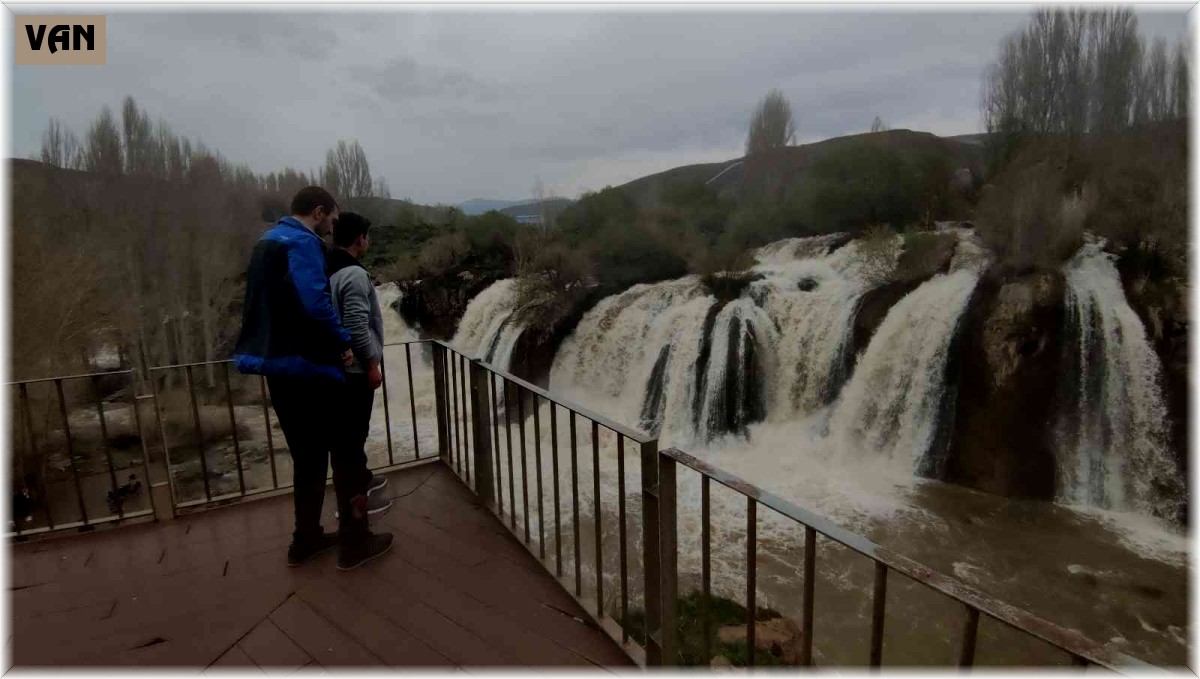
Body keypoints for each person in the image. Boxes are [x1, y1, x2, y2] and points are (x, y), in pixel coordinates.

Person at [233, 186, 393, 570]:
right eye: (333, 219)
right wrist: (345, 344)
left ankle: (305, 539)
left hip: (277, 366)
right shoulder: (301, 242)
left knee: (307, 458)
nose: (332, 227)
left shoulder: (265, 243)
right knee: (348, 453)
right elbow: (315, 301)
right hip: (311, 368)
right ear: (319, 212)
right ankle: (356, 543)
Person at [326, 212, 394, 530]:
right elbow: (355, 324)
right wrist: (371, 364)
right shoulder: (353, 274)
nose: (369, 241)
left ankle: (358, 490)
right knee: (351, 442)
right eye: (367, 236)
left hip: (339, 371)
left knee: (346, 442)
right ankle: (355, 522)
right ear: (359, 239)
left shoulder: (330, 267)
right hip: (354, 373)